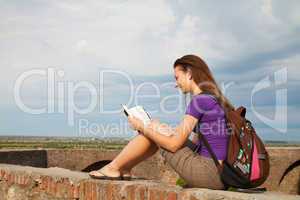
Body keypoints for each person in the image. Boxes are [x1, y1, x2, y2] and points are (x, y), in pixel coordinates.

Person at [89, 54, 234, 190]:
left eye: (177, 78)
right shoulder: (213, 99)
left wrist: (143, 127)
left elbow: (174, 145)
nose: (176, 84)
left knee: (151, 131)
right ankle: (124, 168)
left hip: (209, 174)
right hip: (219, 174)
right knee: (155, 128)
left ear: (189, 73)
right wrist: (162, 129)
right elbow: (195, 144)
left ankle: (114, 168)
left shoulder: (200, 101)